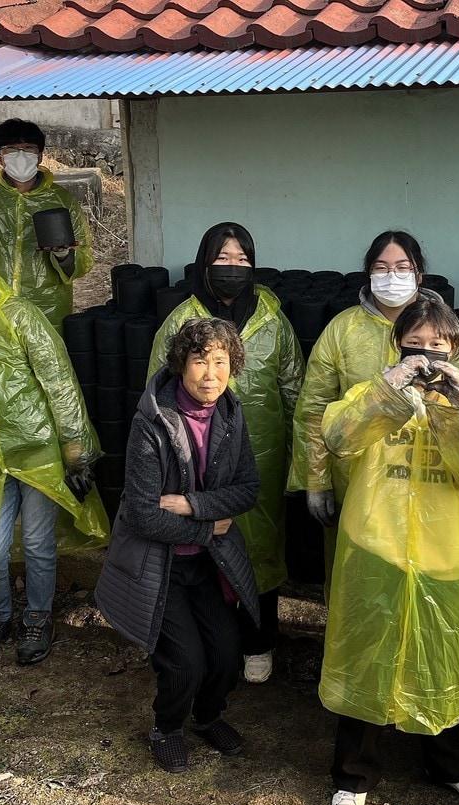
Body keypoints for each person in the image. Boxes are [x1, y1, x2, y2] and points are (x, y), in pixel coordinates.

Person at [320, 298, 459, 805]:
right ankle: (354, 774)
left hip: (447, 556)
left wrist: (458, 410)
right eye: (412, 346)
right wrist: (387, 390)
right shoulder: (372, 393)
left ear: (457, 351)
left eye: (437, 347)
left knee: (443, 658)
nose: (425, 357)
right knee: (367, 657)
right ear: (396, 348)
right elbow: (337, 437)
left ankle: (450, 764)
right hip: (376, 545)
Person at [95, 318, 261, 773]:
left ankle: (208, 717)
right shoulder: (152, 422)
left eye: (221, 361)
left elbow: (248, 488)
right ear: (180, 363)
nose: (211, 373)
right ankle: (166, 728)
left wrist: (191, 504)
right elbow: (144, 513)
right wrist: (209, 527)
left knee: (227, 656)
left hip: (208, 563)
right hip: (160, 562)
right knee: (184, 661)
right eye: (200, 360)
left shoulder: (230, 413)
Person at [148, 223, 303, 684]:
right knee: (208, 544)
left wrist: (300, 455)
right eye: (222, 260)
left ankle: (259, 640)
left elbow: (294, 386)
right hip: (197, 455)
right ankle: (216, 644)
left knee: (260, 548)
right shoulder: (182, 321)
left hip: (264, 451)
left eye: (241, 260)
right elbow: (157, 391)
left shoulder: (274, 319)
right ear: (203, 263)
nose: (232, 268)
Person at [288, 230, 459, 598]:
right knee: (359, 587)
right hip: (357, 483)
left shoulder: (444, 332)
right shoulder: (342, 330)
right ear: (368, 275)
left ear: (419, 275)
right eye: (381, 268)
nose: (392, 276)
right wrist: (316, 478)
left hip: (431, 484)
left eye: (402, 267)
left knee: (425, 589)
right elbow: (313, 408)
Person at [0, 240, 110, 666]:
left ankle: (37, 617)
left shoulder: (19, 316)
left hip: (38, 450)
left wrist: (76, 451)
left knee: (37, 543)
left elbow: (59, 383)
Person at [0, 118, 92, 330]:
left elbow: (83, 258)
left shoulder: (62, 200)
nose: (21, 155)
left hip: (46, 305)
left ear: (40, 156)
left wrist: (63, 255)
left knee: (47, 357)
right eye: (11, 149)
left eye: (28, 148)